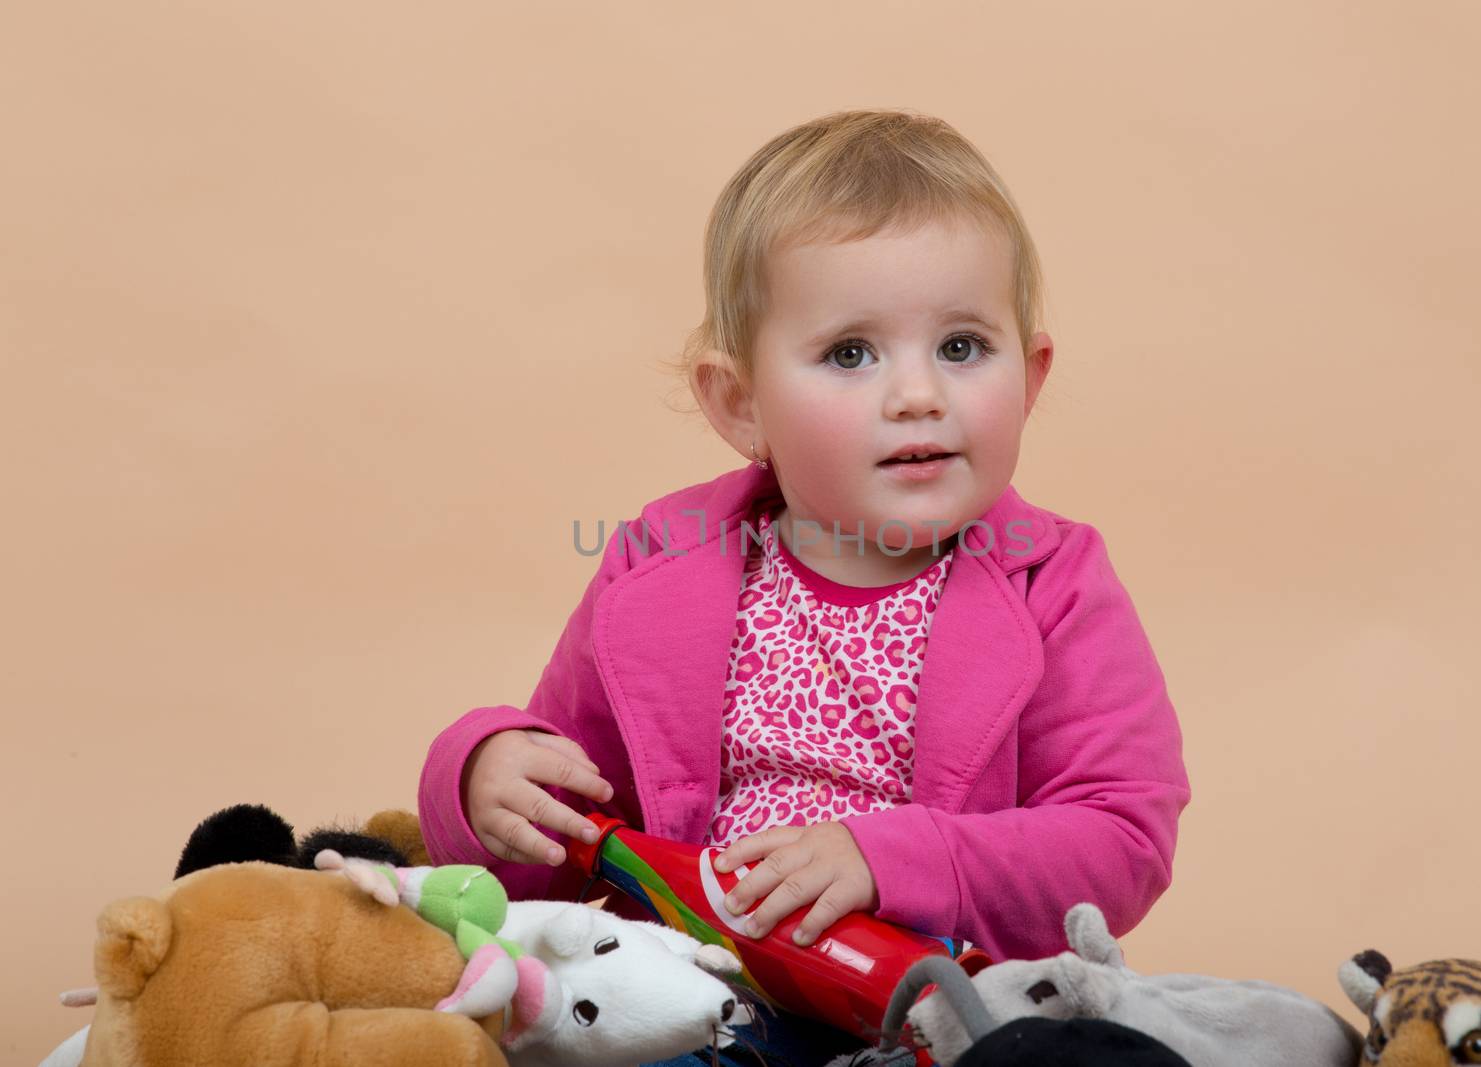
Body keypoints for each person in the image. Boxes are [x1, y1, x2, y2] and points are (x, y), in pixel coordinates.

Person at [417, 108, 1190, 1066]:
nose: (918, 394)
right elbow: (564, 821)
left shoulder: (1053, 579)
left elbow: (1120, 837)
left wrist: (893, 857)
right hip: (696, 994)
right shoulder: (665, 562)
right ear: (741, 405)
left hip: (940, 1007)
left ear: (1029, 376)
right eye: (851, 353)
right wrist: (477, 770)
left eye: (960, 347)